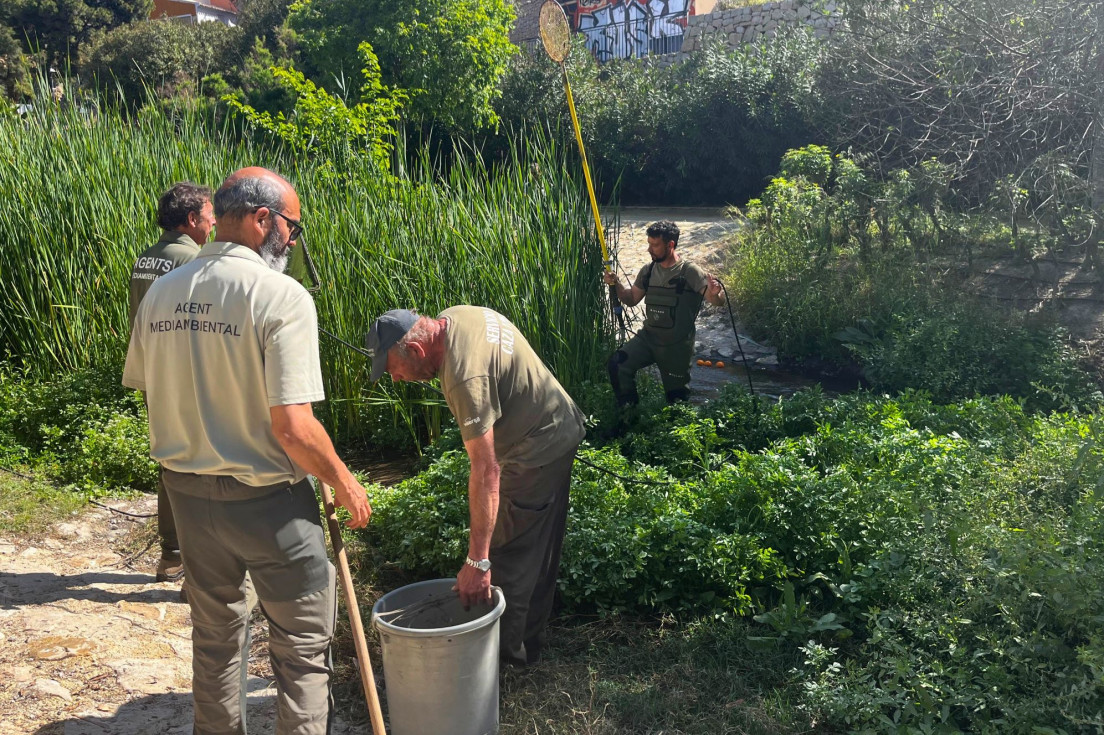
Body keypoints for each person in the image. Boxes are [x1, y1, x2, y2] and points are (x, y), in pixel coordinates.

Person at [123, 167, 371, 734]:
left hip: (186, 494)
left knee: (214, 639)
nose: (294, 239)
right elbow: (293, 428)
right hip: (270, 502)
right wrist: (343, 481)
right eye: (294, 227)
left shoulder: (161, 292)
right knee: (303, 645)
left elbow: (150, 387)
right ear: (264, 221)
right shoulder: (280, 296)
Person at [365, 306, 585, 666]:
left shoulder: (463, 377)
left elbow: (486, 471)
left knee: (506, 556)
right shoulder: (458, 316)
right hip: (558, 425)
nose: (397, 380)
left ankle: (504, 661)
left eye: (394, 369)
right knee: (538, 547)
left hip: (537, 449)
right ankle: (530, 642)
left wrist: (477, 561)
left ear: (417, 351)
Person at [128, 181, 216, 585]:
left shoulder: (146, 259)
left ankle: (171, 555)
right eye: (210, 216)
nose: (214, 224)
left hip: (154, 374)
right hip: (187, 378)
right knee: (200, 464)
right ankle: (197, 561)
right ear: (193, 219)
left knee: (170, 459)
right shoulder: (193, 261)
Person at [602, 220, 725, 407]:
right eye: (649, 244)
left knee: (676, 400)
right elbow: (631, 298)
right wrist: (616, 284)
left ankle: (675, 428)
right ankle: (629, 417)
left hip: (676, 347)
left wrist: (717, 294)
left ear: (671, 245)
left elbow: (715, 301)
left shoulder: (689, 271)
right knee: (617, 365)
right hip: (647, 340)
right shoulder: (648, 270)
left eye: (655, 245)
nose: (649, 249)